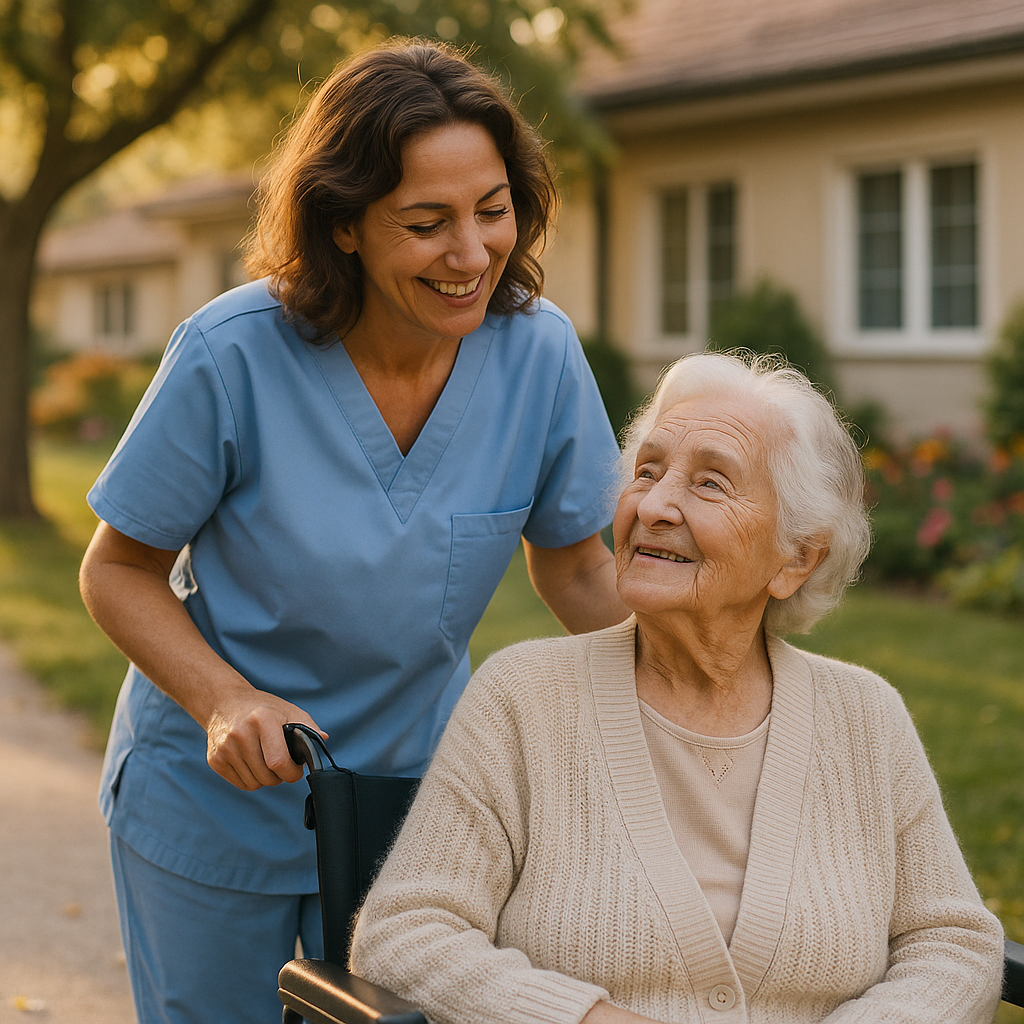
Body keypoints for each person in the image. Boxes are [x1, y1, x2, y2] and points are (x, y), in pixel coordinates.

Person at [78, 39, 629, 1024]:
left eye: (492, 210)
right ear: (342, 226)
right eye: (426, 223)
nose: (471, 254)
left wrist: (713, 677)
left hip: (417, 806)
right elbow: (116, 569)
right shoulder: (228, 355)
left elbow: (579, 572)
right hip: (211, 797)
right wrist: (224, 699)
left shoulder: (538, 356)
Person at [351, 351, 1005, 1024]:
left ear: (797, 557)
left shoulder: (866, 718)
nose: (655, 505)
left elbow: (952, 941)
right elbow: (405, 935)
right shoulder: (524, 700)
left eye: (710, 484)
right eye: (648, 471)